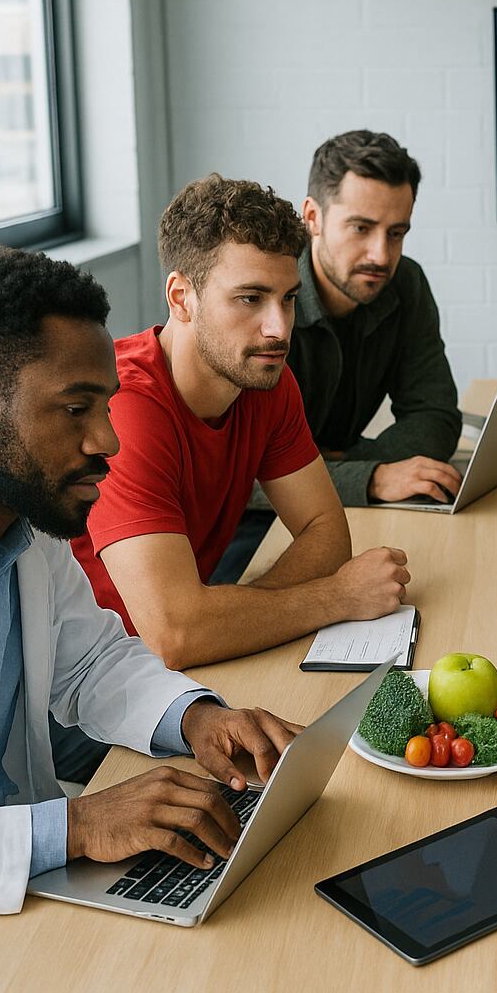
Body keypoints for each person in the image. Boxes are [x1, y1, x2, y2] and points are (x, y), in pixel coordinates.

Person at [0, 246, 304, 992]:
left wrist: (198, 719)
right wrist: (79, 825)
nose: (108, 442)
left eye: (108, 406)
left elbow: (93, 663)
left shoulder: (21, 519)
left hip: (28, 886)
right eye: (76, 409)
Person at [69, 174, 410, 670]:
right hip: (89, 680)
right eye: (250, 298)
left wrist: (228, 618)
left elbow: (327, 531)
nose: (278, 328)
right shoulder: (125, 407)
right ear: (182, 298)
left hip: (175, 666)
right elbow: (176, 635)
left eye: (288, 298)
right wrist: (335, 598)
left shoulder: (262, 376)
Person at [212, 131, 462, 582]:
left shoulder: (406, 283)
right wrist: (369, 475)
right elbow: (236, 474)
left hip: (339, 517)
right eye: (361, 228)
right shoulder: (260, 301)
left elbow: (436, 415)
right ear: (313, 217)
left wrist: (356, 467)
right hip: (245, 530)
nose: (381, 255)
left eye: (397, 233)